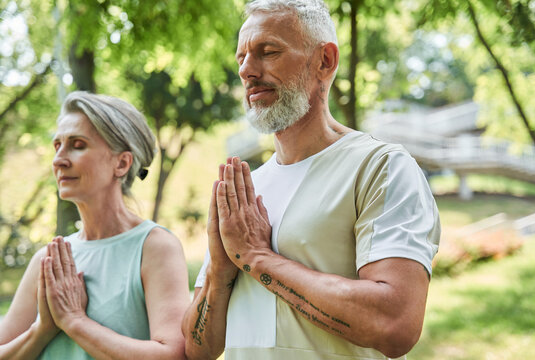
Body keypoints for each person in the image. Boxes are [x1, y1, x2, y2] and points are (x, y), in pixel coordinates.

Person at [182, 0, 440, 359]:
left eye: (267, 51)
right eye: (240, 58)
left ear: (325, 61)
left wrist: (257, 258)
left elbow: (395, 325)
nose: (247, 71)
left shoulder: (381, 167)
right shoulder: (244, 192)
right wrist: (220, 274)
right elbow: (197, 350)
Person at [0, 91, 190, 359]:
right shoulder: (48, 258)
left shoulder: (155, 247)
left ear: (122, 163)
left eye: (77, 145)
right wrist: (43, 328)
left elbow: (172, 354)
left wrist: (75, 322)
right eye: (57, 146)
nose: (59, 160)